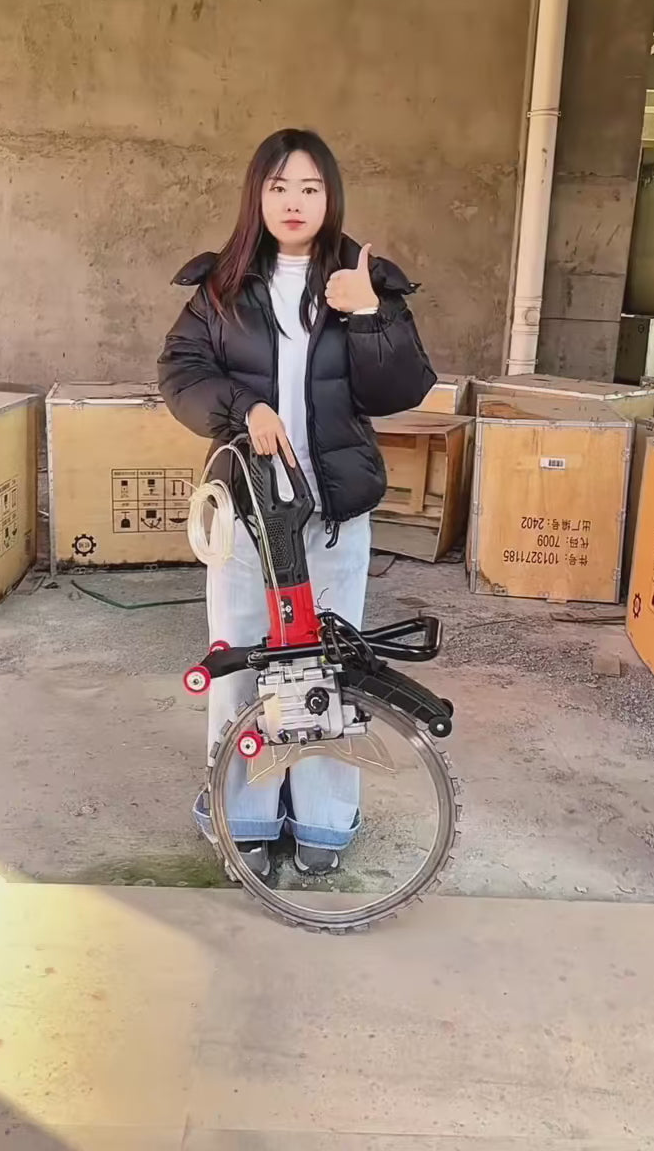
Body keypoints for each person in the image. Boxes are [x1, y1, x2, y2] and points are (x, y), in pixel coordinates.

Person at [158, 128, 435, 878]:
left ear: (329, 197)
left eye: (309, 188)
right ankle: (244, 815)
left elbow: (403, 389)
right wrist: (242, 408)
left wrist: (369, 313)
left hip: (333, 511)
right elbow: (180, 372)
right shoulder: (222, 286)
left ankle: (322, 821)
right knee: (242, 659)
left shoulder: (362, 279)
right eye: (278, 187)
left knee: (328, 667)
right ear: (257, 195)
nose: (293, 202)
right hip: (249, 511)